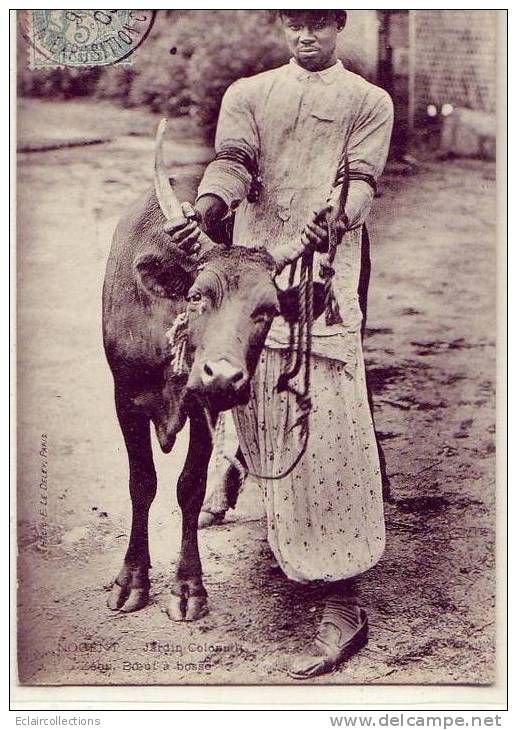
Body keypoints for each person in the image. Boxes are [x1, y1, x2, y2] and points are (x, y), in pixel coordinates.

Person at [166, 9, 393, 679]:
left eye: (317, 25)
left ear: (339, 26)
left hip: (319, 269)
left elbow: (359, 184)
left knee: (322, 416)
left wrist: (336, 217)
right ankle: (237, 471)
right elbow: (233, 165)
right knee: (245, 385)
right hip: (250, 274)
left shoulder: (366, 102)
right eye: (293, 23)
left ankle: (340, 594)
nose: (304, 37)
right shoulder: (249, 93)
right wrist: (207, 209)